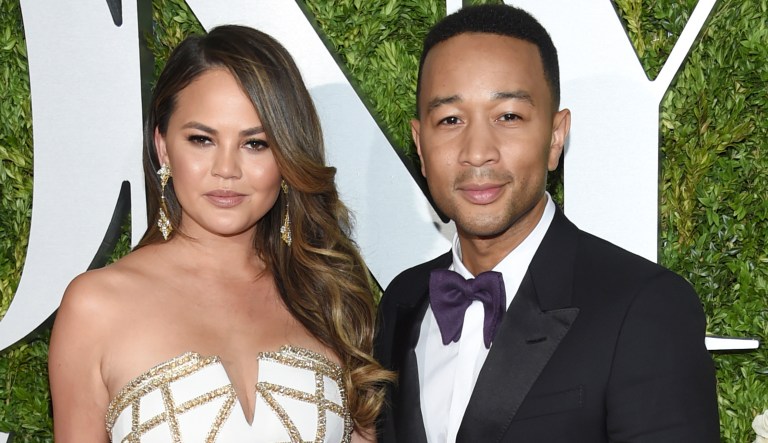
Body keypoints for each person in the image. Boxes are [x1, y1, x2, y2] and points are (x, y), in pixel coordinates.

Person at [375, 4, 720, 442]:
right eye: (450, 120)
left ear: (556, 137)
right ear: (420, 146)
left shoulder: (644, 308)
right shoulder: (402, 302)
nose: (478, 151)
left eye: (508, 117)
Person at [48, 25, 390, 442]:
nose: (226, 169)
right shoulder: (95, 306)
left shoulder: (327, 293)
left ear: (287, 155)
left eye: (255, 144)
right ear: (162, 146)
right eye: (202, 139)